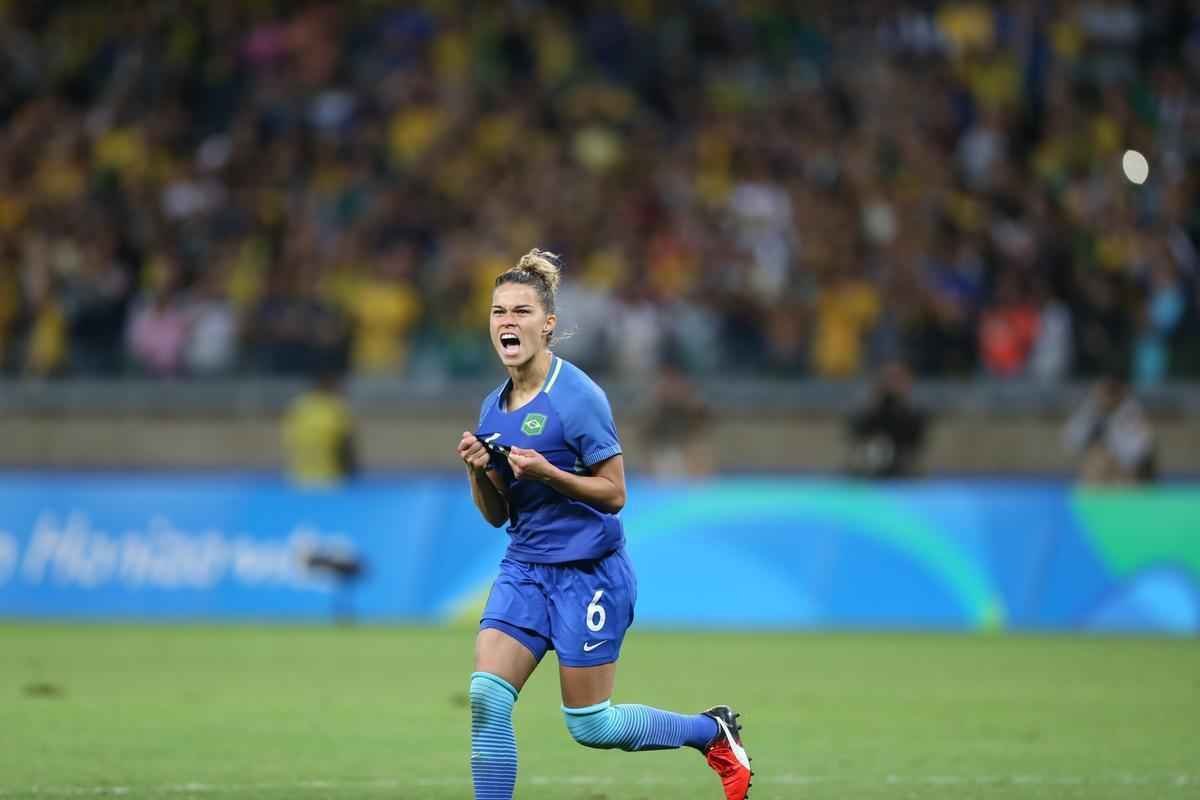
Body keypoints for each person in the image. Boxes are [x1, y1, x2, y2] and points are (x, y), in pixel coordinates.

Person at [455, 249, 752, 800]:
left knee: (590, 725)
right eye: (498, 312)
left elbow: (615, 494)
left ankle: (711, 732)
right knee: (487, 699)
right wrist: (479, 473)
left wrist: (548, 472)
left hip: (588, 573)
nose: (507, 322)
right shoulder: (492, 407)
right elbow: (500, 515)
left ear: (547, 326)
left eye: (520, 312)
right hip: (524, 568)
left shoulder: (579, 397)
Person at [1063, 374, 1156, 485]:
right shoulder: (1090, 410)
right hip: (1099, 466)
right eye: (1100, 392)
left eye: (1108, 393)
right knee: (1096, 460)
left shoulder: (1133, 414)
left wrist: (1112, 455)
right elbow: (1070, 441)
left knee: (1104, 462)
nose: (1103, 398)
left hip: (1128, 470)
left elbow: (1139, 451)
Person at [846, 362, 929, 479]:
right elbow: (855, 434)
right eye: (890, 379)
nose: (893, 385)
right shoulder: (869, 412)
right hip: (870, 475)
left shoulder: (913, 414)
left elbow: (917, 442)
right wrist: (874, 404)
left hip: (903, 476)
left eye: (898, 379)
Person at [281, 371, 358, 487]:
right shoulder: (336, 409)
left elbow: (289, 440)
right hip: (330, 480)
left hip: (298, 481)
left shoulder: (299, 407)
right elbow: (346, 447)